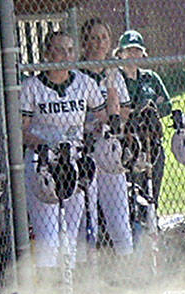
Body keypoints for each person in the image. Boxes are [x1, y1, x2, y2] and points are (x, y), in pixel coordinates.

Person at [19, 30, 105, 294]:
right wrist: (41, 143)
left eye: (70, 50)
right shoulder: (32, 86)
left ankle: (72, 288)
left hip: (75, 161)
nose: (65, 56)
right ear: (46, 54)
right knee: (48, 232)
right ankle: (50, 293)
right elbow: (20, 129)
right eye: (59, 50)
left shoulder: (84, 82)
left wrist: (94, 130)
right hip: (44, 162)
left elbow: (101, 116)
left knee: (73, 225)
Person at [79, 19, 133, 261]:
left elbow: (125, 110)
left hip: (110, 149)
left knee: (119, 215)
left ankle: (129, 270)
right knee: (85, 218)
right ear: (84, 42)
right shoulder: (75, 74)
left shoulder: (114, 74)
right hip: (84, 150)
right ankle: (86, 277)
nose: (99, 43)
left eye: (103, 38)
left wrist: (111, 117)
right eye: (93, 37)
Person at [115, 30, 171, 205]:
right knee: (133, 186)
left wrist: (150, 108)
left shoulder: (150, 77)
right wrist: (137, 110)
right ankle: (135, 217)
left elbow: (166, 104)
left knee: (154, 180)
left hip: (150, 138)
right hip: (128, 140)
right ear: (120, 53)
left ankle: (152, 216)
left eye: (137, 50)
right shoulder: (116, 78)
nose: (133, 54)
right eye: (129, 50)